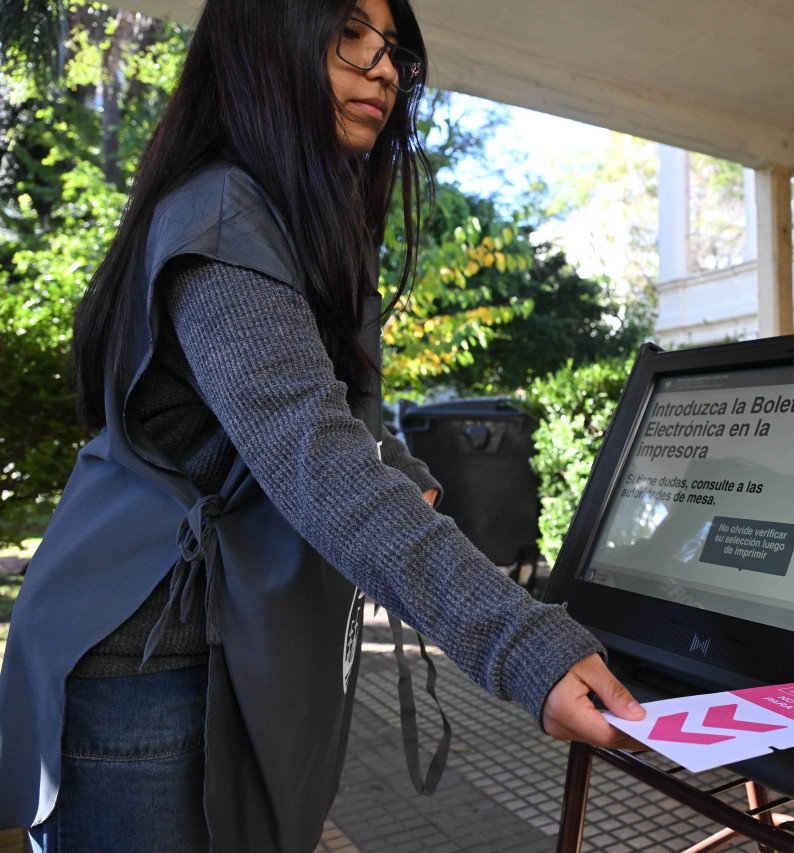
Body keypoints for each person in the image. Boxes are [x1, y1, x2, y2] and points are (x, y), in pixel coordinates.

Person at [0, 0, 644, 850]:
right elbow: (314, 457)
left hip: (213, 654)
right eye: (350, 36)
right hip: (146, 669)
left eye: (394, 51)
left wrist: (390, 457)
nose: (385, 68)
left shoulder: (298, 220)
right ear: (268, 40)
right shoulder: (225, 216)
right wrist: (523, 643)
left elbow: (319, 417)